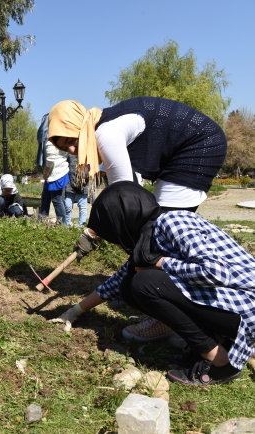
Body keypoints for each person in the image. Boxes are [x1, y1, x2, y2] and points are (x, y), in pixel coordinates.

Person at [49, 96, 227, 342]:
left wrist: (77, 310)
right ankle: (172, 305)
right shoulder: (103, 126)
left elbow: (126, 199)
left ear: (81, 126)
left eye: (71, 141)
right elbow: (127, 200)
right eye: (63, 147)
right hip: (187, 149)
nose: (71, 150)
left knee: (155, 244)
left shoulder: (106, 134)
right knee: (150, 250)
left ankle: (175, 319)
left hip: (198, 146)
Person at [50, 182, 254, 386]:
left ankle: (220, 362)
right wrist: (74, 312)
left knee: (145, 283)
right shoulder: (146, 240)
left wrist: (161, 263)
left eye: (113, 235)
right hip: (231, 306)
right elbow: (116, 283)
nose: (114, 243)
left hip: (247, 304)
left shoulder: (173, 222)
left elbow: (216, 273)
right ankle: (218, 344)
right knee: (130, 285)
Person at [39, 140, 68, 224]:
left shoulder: (51, 141)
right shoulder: (60, 139)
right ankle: (42, 218)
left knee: (56, 199)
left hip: (55, 174)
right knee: (45, 197)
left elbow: (50, 159)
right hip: (58, 172)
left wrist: (46, 173)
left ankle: (63, 223)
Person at [63, 154, 89, 228]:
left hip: (83, 184)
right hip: (70, 183)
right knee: (67, 205)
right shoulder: (70, 152)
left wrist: (86, 174)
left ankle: (81, 226)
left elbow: (90, 164)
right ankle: (67, 225)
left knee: (82, 206)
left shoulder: (86, 151)